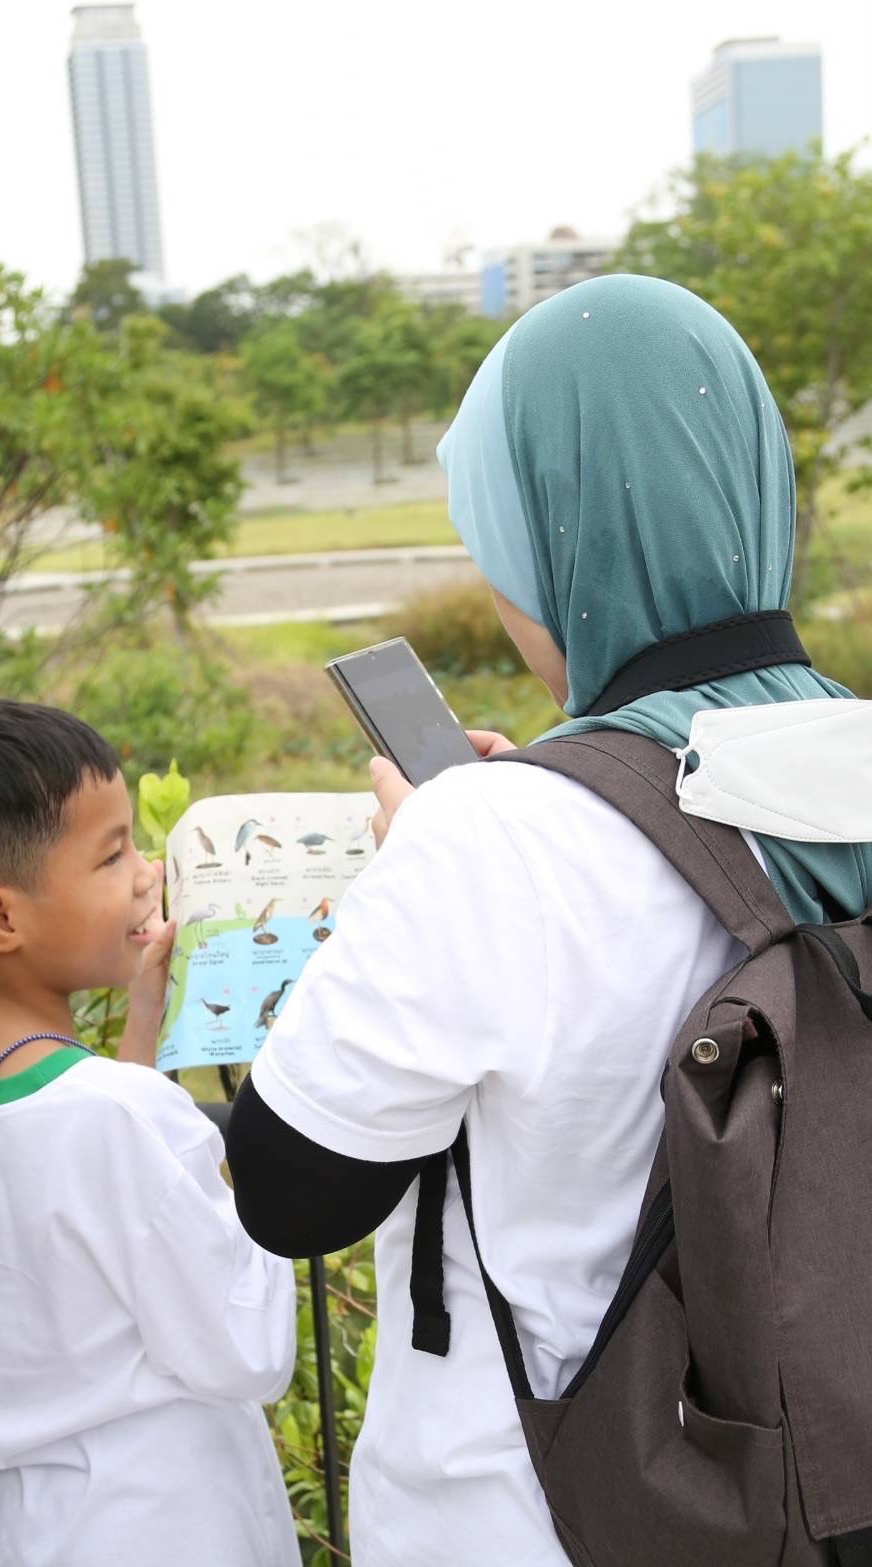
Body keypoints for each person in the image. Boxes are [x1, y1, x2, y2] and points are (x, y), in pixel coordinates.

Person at [225, 275, 872, 1566]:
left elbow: (289, 1186)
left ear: (554, 539)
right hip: (823, 1481)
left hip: (536, 1512)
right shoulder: (850, 749)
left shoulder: (492, 837)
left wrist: (424, 861)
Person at [0, 700, 299, 1567]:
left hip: (17, 1528)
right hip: (161, 1522)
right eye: (113, 853)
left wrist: (144, 1025)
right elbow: (247, 1345)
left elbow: (68, 1153)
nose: (146, 875)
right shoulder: (125, 1120)